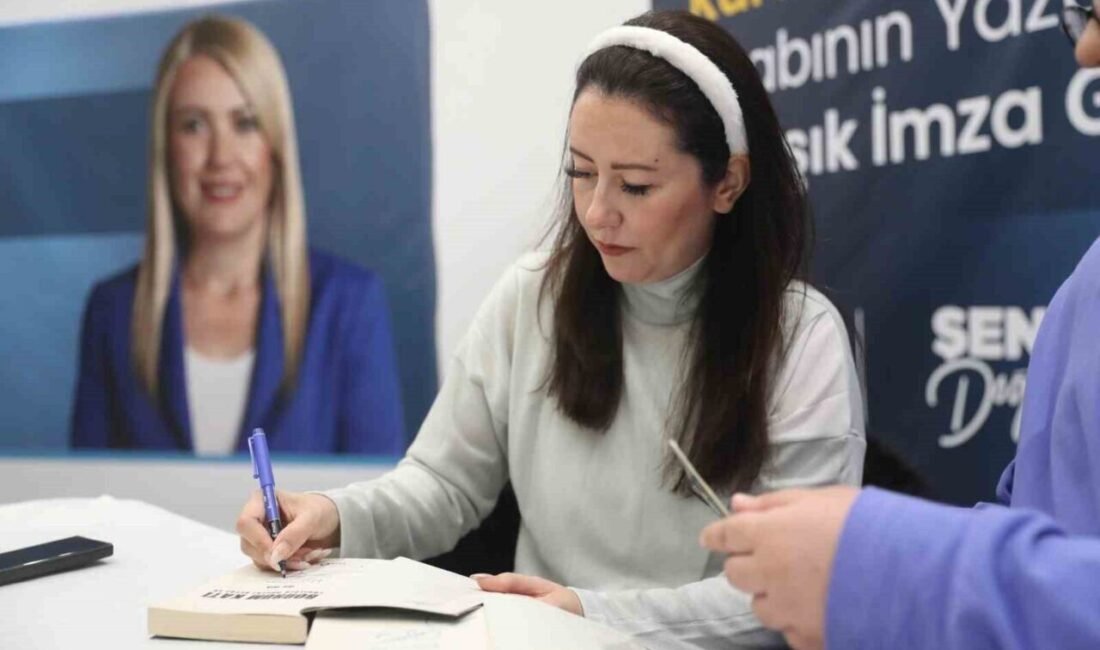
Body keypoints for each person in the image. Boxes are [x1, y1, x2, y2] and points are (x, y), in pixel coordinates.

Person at [236, 10, 865, 648]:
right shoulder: (533, 295)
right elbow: (442, 483)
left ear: (726, 182)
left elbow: (794, 582)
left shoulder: (799, 339)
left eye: (637, 187)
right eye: (581, 172)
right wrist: (333, 516)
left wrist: (593, 614)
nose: (596, 214)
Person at [700, 3, 1100, 648]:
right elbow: (1037, 515)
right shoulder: (1087, 283)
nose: (1085, 53)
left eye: (637, 183)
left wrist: (885, 569)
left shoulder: (799, 330)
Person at [70, 16, 406, 455]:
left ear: (276, 146)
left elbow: (376, 513)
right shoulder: (112, 312)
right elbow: (91, 506)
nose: (221, 157)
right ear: (166, 148)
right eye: (194, 125)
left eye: (245, 123)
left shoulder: (349, 306)